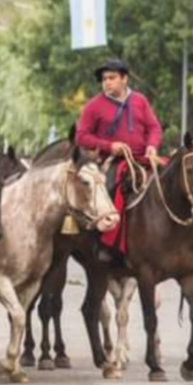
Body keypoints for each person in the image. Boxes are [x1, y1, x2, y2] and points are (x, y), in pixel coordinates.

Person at [75, 58, 162, 263]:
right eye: (104, 79)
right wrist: (109, 146)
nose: (107, 83)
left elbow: (154, 128)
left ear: (124, 79)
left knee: (177, 176)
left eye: (112, 78)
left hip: (143, 158)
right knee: (112, 188)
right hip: (111, 161)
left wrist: (152, 145)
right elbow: (81, 136)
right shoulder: (93, 106)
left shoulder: (140, 100)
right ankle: (108, 244)